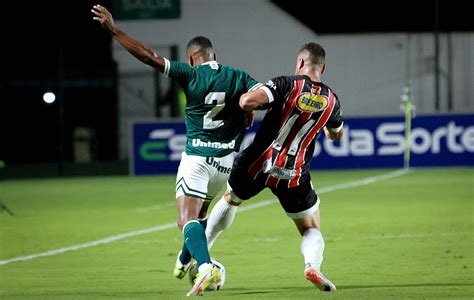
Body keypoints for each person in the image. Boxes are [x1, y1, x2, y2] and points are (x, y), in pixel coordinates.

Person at [91, 5, 262, 296]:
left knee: (186, 219)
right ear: (215, 56)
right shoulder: (239, 76)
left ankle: (206, 267)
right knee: (202, 211)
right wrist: (248, 113)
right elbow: (256, 99)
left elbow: (148, 56)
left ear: (191, 58)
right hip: (224, 164)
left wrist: (116, 30)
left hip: (196, 159)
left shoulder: (190, 74)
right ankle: (185, 259)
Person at [205, 42, 344, 292]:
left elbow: (247, 101)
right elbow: (336, 134)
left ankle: (202, 253)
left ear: (300, 63)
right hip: (293, 174)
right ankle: (312, 265)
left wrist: (251, 105)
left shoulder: (285, 84)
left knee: (231, 198)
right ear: (324, 67)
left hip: (256, 164)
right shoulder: (332, 101)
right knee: (310, 228)